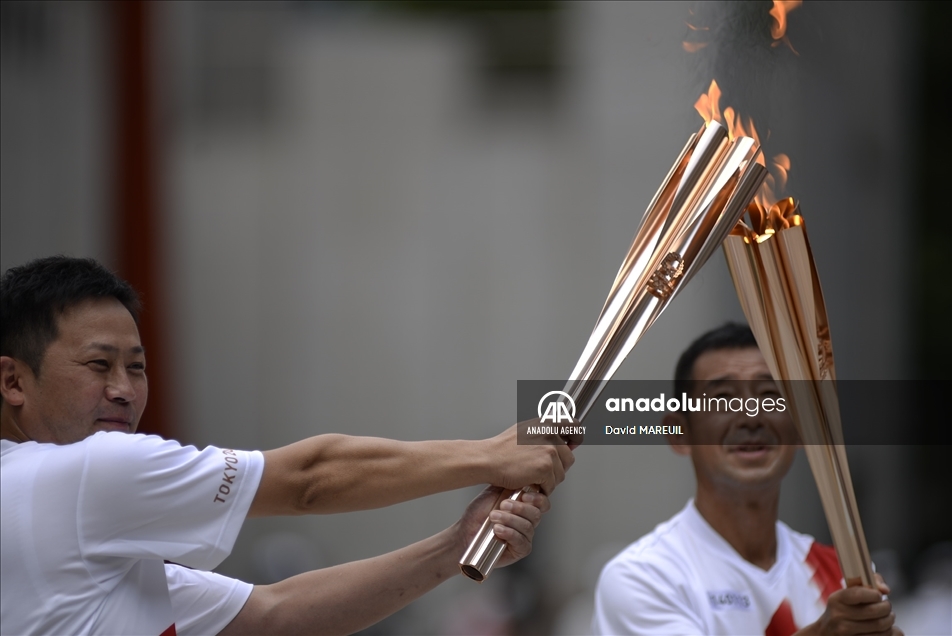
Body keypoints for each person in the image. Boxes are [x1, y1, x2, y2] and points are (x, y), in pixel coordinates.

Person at [0, 255, 575, 636]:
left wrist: (455, 548)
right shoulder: (84, 476)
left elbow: (275, 616)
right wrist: (490, 455)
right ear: (12, 381)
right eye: (98, 365)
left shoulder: (75, 528)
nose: (124, 390)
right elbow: (308, 481)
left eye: (137, 367)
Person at [592, 323, 901, 636]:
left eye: (769, 396)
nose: (751, 417)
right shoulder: (643, 576)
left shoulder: (844, 573)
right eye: (723, 399)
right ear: (680, 433)